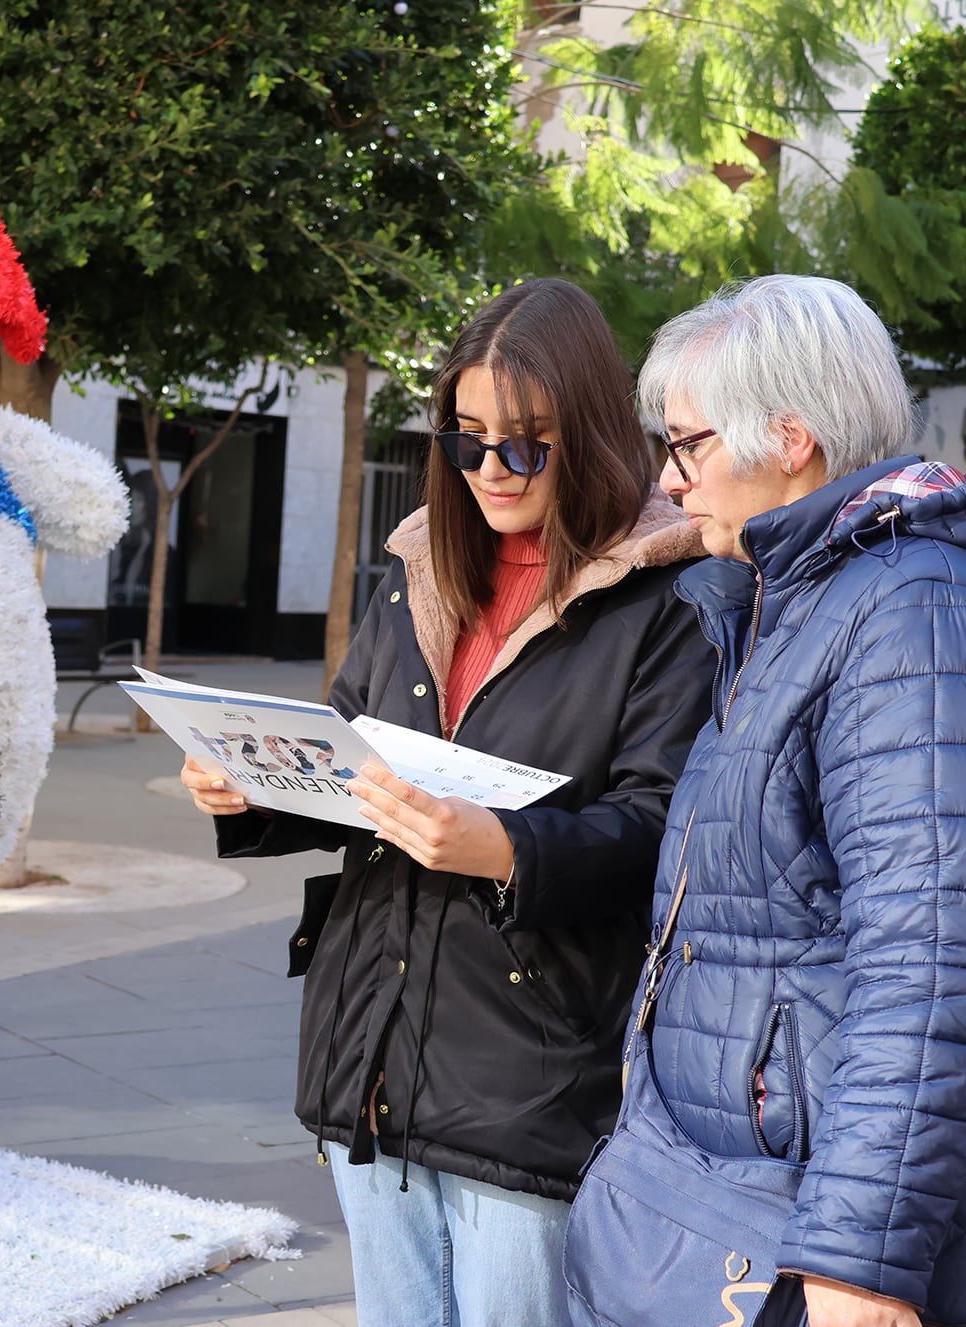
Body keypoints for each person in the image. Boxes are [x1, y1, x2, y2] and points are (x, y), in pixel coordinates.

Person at [592, 273, 966, 1327]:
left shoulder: (924, 616)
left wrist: (857, 1269)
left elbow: (936, 967)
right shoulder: (809, 602)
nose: (669, 482)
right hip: (765, 1219)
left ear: (789, 437)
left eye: (687, 445)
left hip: (874, 1256)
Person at [179, 278, 713, 1324]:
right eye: (466, 440)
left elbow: (667, 831)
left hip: (534, 1067)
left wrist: (507, 850)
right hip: (366, 1052)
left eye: (525, 443)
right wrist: (251, 791)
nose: (490, 471)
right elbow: (352, 761)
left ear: (594, 434)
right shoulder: (418, 568)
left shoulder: (670, 598)